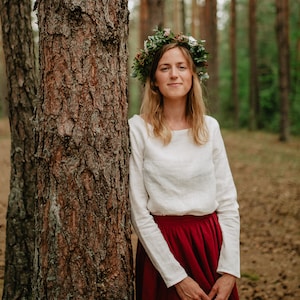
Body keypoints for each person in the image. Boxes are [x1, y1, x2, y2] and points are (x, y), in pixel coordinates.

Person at [129, 28, 240, 300]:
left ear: (193, 75)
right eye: (165, 68)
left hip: (209, 244)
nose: (174, 74)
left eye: (181, 67)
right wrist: (175, 276)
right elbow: (138, 211)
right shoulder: (138, 129)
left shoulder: (209, 128)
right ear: (154, 80)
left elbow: (227, 202)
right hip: (163, 248)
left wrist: (229, 271)